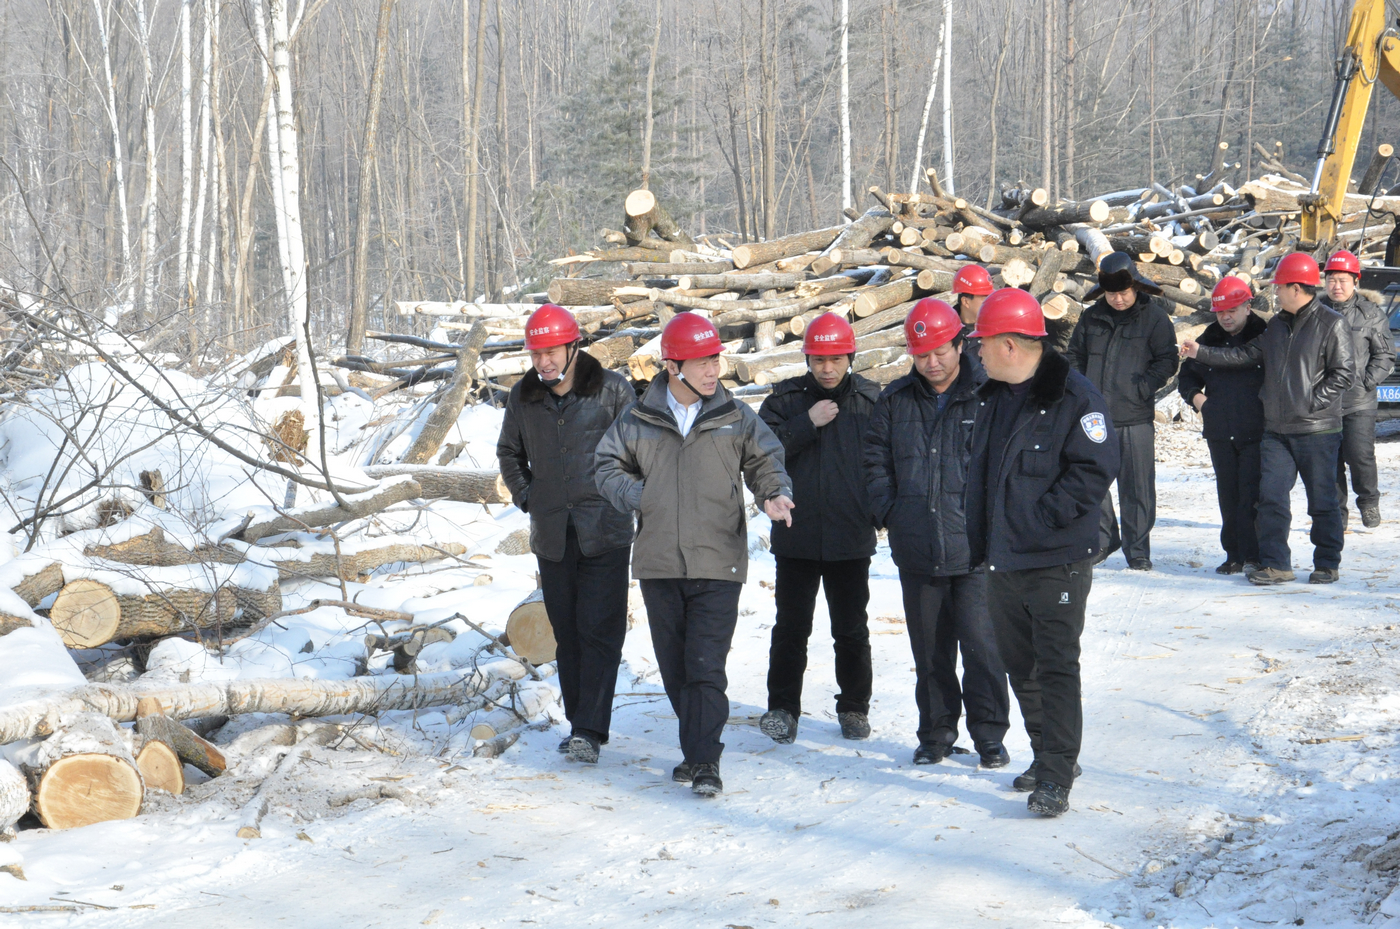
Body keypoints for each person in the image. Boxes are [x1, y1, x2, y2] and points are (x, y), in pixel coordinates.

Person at [595, 311, 794, 797]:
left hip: (718, 559)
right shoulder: (638, 418)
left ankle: (705, 760)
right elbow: (604, 466)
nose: (713, 371)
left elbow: (765, 461)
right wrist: (641, 495)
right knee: (677, 668)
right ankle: (695, 745)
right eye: (702, 362)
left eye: (716, 360)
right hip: (660, 562)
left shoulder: (735, 417)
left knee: (706, 665)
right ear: (672, 367)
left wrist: (773, 494)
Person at [965, 288, 1119, 817]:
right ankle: (1048, 753)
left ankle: (1056, 774)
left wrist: (1040, 519)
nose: (976, 350)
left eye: (983, 342)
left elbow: (1093, 471)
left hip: (1057, 559)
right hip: (1003, 556)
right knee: (1020, 665)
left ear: (1010, 345)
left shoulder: (1075, 398)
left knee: (1055, 666)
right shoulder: (994, 395)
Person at [864, 298, 1011, 769]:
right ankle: (936, 733)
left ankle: (990, 735)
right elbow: (874, 463)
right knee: (929, 651)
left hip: (976, 549)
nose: (933, 363)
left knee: (983, 647)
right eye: (922, 354)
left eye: (941, 352)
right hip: (918, 545)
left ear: (958, 344)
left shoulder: (990, 393)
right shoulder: (895, 401)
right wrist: (892, 512)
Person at [495, 304, 637, 764]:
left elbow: (640, 452)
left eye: (552, 351)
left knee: (601, 629)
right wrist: (528, 498)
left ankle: (589, 729)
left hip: (606, 529)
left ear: (573, 346)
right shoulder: (523, 397)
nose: (544, 363)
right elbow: (509, 453)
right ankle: (582, 724)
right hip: (553, 534)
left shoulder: (613, 391)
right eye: (536, 354)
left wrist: (624, 496)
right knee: (567, 632)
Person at [1181, 252, 1354, 585]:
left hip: (1317, 429)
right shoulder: (1275, 326)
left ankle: (1327, 562)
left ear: (1296, 287)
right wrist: (1200, 352)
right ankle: (1276, 564)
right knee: (1271, 497)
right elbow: (1243, 354)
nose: (1274, 294)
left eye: (1279, 287)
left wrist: (1311, 403)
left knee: (1322, 500)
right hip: (1276, 432)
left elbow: (1343, 373)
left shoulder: (1331, 323)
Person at [757, 313, 880, 745]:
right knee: (791, 627)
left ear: (851, 356)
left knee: (851, 630)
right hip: (798, 535)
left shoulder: (870, 400)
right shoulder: (784, 401)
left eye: (836, 359)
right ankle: (783, 709)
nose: (828, 369)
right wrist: (806, 423)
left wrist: (878, 512)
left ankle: (853, 708)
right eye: (819, 360)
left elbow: (886, 463)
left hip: (850, 536)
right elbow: (761, 455)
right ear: (807, 357)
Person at [1065, 252, 1178, 570]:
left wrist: (1143, 387)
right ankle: (1104, 539)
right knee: (1092, 483)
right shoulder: (1091, 318)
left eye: (1123, 292)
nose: (1117, 299)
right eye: (1112, 293)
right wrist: (1082, 388)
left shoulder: (1153, 318)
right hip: (1095, 418)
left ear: (1136, 287)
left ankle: (1138, 549)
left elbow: (1167, 360)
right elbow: (1074, 355)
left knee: (1137, 487)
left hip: (1135, 417)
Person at [1177, 277, 1267, 575]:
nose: (1226, 318)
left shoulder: (1263, 333)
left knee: (1252, 494)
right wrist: (1200, 402)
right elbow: (1187, 377)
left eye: (1232, 311)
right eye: (1220, 312)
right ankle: (1234, 554)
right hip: (1220, 428)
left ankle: (1255, 554)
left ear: (1248, 307)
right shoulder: (1211, 336)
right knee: (1228, 494)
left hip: (1258, 428)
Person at [1321, 249, 1394, 528]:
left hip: (1359, 401)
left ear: (1355, 282)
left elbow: (1385, 354)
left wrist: (1367, 381)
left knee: (1359, 455)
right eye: (1331, 280)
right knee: (1330, 462)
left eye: (1342, 280)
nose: (1336, 286)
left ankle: (1368, 501)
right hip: (1324, 402)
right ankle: (1336, 514)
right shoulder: (1314, 311)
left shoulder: (1370, 314)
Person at [953, 264, 995, 358]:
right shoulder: (945, 331)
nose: (990, 303)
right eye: (984, 299)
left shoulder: (995, 330)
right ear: (966, 302)